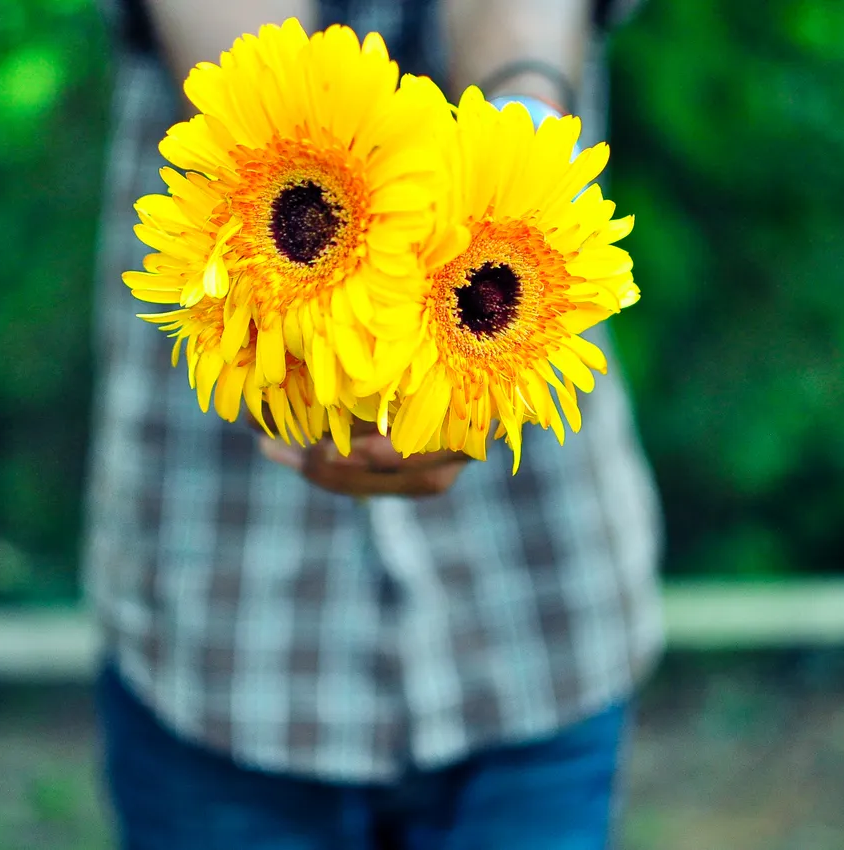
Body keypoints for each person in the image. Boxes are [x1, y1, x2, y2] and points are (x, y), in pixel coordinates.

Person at [83, 1, 663, 847]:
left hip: (534, 607)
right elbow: (254, 81)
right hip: (219, 622)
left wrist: (519, 166)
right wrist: (299, 349)